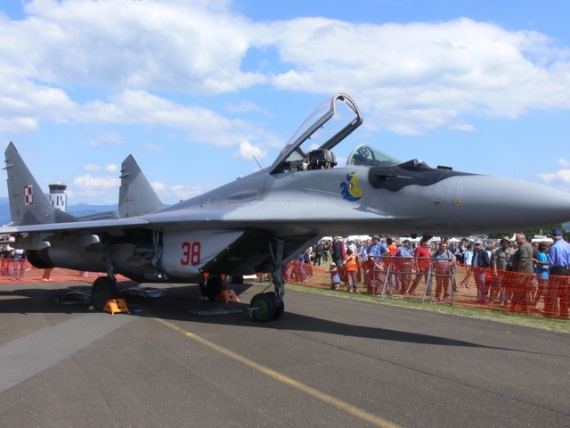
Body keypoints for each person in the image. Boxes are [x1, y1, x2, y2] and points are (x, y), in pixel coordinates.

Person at [546, 228, 570, 319]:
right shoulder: (567, 246)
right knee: (564, 293)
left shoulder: (554, 247)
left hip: (556, 271)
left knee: (553, 292)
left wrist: (544, 265)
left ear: (553, 236)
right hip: (565, 271)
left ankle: (553, 311)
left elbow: (551, 263)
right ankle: (564, 313)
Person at [510, 233, 534, 314]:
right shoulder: (528, 245)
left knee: (518, 290)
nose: (516, 241)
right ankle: (524, 308)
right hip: (528, 271)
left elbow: (523, 259)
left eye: (517, 239)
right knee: (525, 291)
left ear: (522, 238)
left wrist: (518, 270)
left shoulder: (523, 246)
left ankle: (514, 307)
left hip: (523, 272)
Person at [490, 237, 514, 305]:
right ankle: (492, 301)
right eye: (504, 242)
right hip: (500, 272)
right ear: (502, 243)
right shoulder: (497, 251)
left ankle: (504, 301)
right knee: (498, 287)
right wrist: (495, 271)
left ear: (509, 243)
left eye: (507, 242)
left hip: (509, 273)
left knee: (507, 288)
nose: (505, 243)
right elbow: (494, 261)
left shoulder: (512, 251)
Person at [532, 242, 549, 312]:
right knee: (543, 291)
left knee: (542, 291)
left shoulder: (542, 254)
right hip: (543, 274)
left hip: (543, 274)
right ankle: (535, 305)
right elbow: (542, 265)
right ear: (545, 248)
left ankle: (535, 304)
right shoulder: (542, 255)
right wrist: (550, 267)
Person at [472, 239, 491, 304]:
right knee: (478, 285)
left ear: (481, 245)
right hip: (475, 270)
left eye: (478, 244)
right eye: (476, 244)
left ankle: (482, 299)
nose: (476, 245)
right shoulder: (475, 251)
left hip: (481, 271)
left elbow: (487, 263)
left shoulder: (484, 252)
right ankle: (478, 299)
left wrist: (483, 268)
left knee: (482, 284)